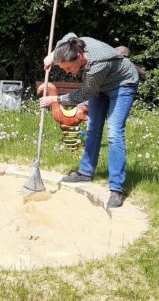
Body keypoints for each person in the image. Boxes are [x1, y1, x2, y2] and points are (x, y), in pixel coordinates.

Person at [40, 33, 139, 208]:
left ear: (79, 57)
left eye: (68, 68)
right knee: (93, 128)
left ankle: (116, 189)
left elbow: (84, 94)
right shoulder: (72, 44)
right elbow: (69, 35)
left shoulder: (97, 64)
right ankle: (85, 172)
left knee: (114, 133)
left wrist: (55, 99)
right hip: (101, 86)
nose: (67, 72)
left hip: (122, 84)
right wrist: (52, 56)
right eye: (63, 68)